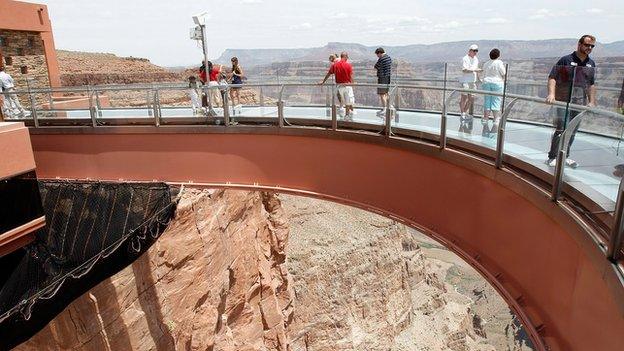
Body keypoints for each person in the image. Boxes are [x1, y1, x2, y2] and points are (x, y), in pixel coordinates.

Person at [545, 34, 597, 168]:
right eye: (587, 45)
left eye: (592, 46)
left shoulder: (591, 64)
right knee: (561, 129)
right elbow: (552, 77)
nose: (589, 48)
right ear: (579, 44)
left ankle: (565, 156)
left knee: (572, 130)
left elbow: (590, 84)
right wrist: (551, 94)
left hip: (579, 102)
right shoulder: (566, 60)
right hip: (563, 100)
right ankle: (553, 156)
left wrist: (591, 101)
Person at [321, 52, 354, 119]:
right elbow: (351, 76)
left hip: (339, 86)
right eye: (347, 57)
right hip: (347, 84)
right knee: (349, 100)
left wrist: (323, 82)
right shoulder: (348, 65)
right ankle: (348, 115)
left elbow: (329, 73)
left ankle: (347, 113)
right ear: (345, 57)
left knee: (344, 99)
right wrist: (353, 84)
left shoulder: (335, 65)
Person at [481, 48, 506, 136]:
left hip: (487, 82)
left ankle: (486, 118)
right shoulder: (499, 63)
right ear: (498, 55)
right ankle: (496, 119)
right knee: (496, 100)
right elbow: (503, 73)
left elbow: (483, 74)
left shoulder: (486, 63)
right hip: (497, 83)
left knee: (487, 100)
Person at [459, 44, 482, 124]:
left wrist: (479, 78)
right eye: (474, 51)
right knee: (464, 97)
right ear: (470, 50)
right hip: (465, 80)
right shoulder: (465, 58)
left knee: (471, 98)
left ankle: (464, 112)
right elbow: (464, 70)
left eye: (477, 51)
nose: (475, 52)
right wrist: (474, 70)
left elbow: (476, 69)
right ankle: (462, 114)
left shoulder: (476, 59)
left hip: (473, 81)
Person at [374, 47, 392, 117]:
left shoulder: (382, 58)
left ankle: (385, 108)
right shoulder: (389, 58)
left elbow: (376, 66)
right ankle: (388, 106)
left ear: (380, 53)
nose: (377, 56)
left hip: (382, 78)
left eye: (377, 55)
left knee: (382, 94)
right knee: (386, 93)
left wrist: (379, 68)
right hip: (388, 77)